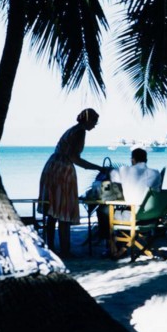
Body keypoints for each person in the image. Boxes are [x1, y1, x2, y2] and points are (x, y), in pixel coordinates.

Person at [38, 108, 106, 257]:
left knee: (52, 211)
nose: (94, 125)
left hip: (51, 166)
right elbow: (75, 158)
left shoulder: (71, 130)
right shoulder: (80, 132)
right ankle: (65, 250)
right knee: (64, 212)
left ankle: (50, 247)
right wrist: (98, 167)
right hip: (62, 170)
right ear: (87, 120)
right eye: (94, 121)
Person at [95, 148, 162, 255]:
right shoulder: (155, 173)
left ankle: (112, 247)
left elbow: (112, 178)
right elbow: (157, 190)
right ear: (146, 160)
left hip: (131, 216)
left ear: (133, 160)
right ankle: (122, 243)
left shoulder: (123, 170)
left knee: (102, 211)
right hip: (151, 216)